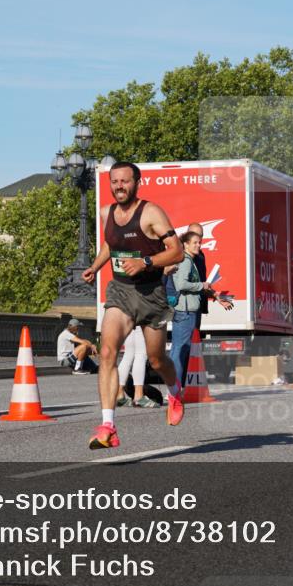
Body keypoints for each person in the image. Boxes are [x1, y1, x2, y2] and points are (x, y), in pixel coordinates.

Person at [82, 161, 185, 450]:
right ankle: (108, 426)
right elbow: (109, 245)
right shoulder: (106, 213)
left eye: (125, 181)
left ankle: (175, 392)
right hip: (121, 291)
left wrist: (146, 262)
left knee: (156, 360)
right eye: (115, 182)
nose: (119, 187)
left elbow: (176, 252)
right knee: (106, 352)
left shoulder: (150, 213)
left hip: (151, 294)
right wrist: (95, 266)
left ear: (137, 183)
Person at [169, 231, 208, 387]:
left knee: (181, 350)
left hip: (187, 311)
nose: (199, 245)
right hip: (184, 312)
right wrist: (201, 285)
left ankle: (175, 388)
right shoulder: (185, 260)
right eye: (195, 242)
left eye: (200, 242)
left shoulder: (189, 260)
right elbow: (181, 284)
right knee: (179, 351)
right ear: (185, 244)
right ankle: (174, 389)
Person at [116, 327, 159, 408]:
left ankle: (119, 395)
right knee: (141, 354)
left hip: (129, 318)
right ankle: (138, 396)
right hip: (140, 318)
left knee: (128, 354)